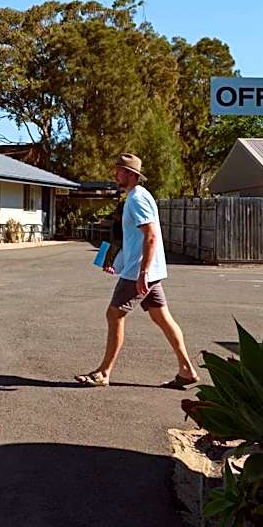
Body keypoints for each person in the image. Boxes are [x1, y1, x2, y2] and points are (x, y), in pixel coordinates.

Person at [75, 153, 199, 389]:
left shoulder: (136, 199)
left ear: (131, 175)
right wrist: (120, 260)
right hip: (145, 270)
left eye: (119, 170)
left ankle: (103, 373)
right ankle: (187, 370)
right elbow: (136, 238)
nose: (115, 174)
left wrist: (142, 273)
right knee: (161, 317)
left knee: (114, 314)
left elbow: (150, 236)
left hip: (139, 272)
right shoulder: (139, 196)